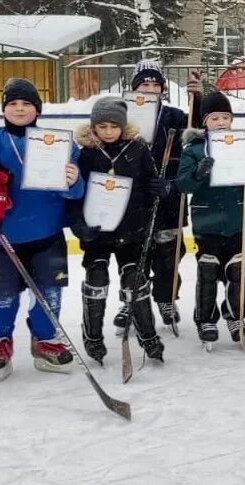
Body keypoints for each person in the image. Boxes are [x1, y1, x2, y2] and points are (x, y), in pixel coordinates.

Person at [0, 78, 84, 378]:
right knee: (1, 295)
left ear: (37, 109)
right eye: (13, 103)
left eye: (26, 103)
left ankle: (45, 342)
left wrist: (72, 180)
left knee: (49, 292)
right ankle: (0, 343)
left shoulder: (61, 144)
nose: (19, 108)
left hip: (47, 234)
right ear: (4, 109)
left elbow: (76, 193)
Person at [73, 97, 173, 363]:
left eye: (113, 126)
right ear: (93, 127)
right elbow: (75, 193)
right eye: (102, 126)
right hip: (98, 232)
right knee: (96, 280)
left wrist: (160, 188)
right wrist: (79, 225)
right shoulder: (84, 152)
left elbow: (151, 179)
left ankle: (148, 336)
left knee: (135, 282)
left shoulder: (137, 148)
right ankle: (93, 337)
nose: (108, 131)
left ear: (123, 125)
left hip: (132, 229)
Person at [177, 91, 245, 347]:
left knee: (237, 270)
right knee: (208, 269)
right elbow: (183, 185)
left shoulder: (242, 144)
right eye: (214, 118)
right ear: (204, 121)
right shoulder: (194, 150)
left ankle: (235, 316)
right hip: (207, 221)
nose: (220, 122)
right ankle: (205, 319)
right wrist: (198, 172)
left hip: (237, 218)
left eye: (225, 117)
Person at [119, 59, 201, 333]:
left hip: (169, 196)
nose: (151, 89)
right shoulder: (122, 116)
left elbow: (197, 139)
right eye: (145, 84)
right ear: (134, 87)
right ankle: (130, 299)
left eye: (156, 84)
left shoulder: (175, 117)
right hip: (134, 200)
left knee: (169, 253)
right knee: (134, 254)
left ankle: (166, 298)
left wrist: (197, 100)